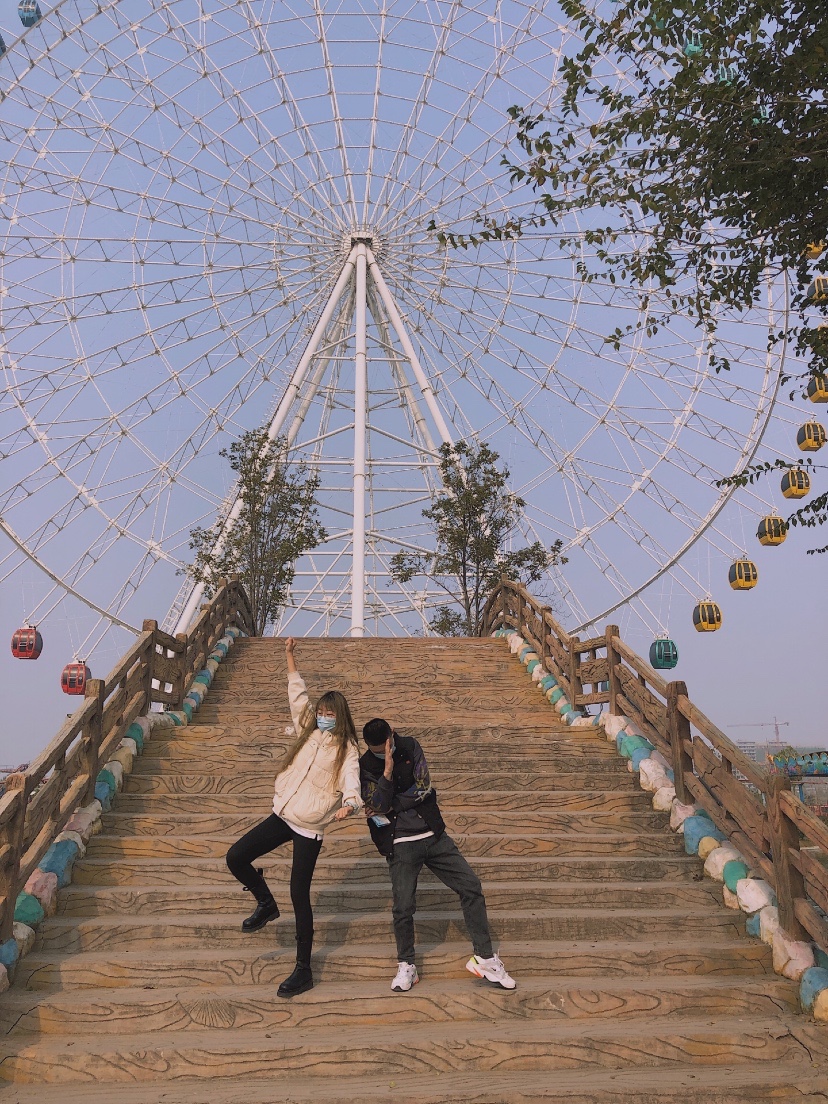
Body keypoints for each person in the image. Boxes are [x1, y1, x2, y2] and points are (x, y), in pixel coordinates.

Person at [226, 637, 362, 998]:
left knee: (299, 895)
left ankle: (304, 969)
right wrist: (289, 656)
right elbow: (297, 696)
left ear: (341, 716)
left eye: (331, 713)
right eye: (322, 712)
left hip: (309, 827)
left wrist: (351, 803)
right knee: (236, 856)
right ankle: (265, 903)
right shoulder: (309, 731)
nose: (324, 717)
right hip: (283, 813)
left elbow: (352, 779)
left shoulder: (347, 749)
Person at [359, 718, 515, 993]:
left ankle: (485, 958)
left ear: (391, 734)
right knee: (403, 906)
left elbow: (423, 786)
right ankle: (407, 964)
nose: (383, 754)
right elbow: (377, 803)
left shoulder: (410, 746)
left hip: (433, 834)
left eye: (385, 749)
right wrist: (387, 772)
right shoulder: (365, 765)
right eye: (376, 752)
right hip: (400, 841)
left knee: (471, 886)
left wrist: (392, 805)